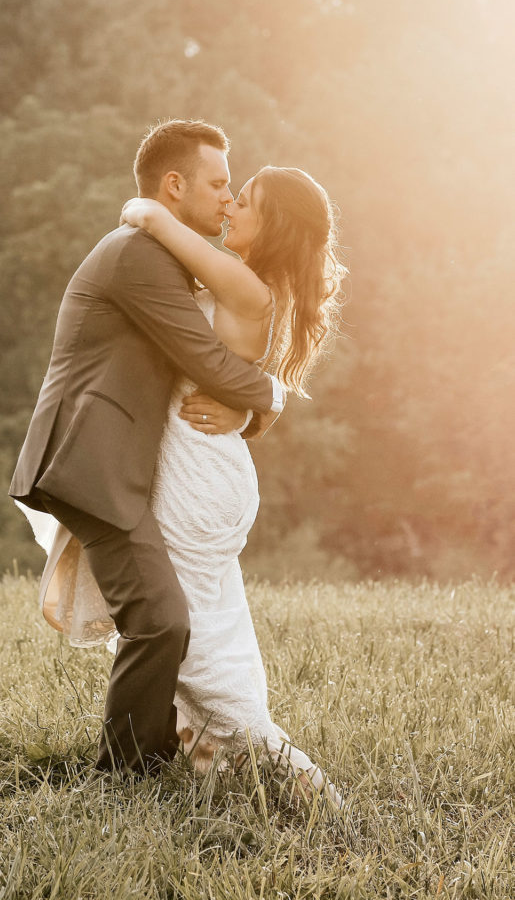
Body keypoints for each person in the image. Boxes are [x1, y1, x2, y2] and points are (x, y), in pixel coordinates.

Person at [9, 119, 285, 775]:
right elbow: (210, 364)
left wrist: (240, 419)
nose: (226, 197)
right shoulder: (137, 255)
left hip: (118, 466)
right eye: (218, 184)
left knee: (164, 616)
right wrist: (271, 398)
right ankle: (127, 771)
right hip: (91, 464)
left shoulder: (160, 256)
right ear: (173, 185)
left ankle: (157, 750)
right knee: (161, 620)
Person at [119, 165, 345, 805]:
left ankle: (287, 771)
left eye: (242, 201)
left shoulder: (243, 282)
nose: (229, 208)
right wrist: (253, 407)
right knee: (213, 626)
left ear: (270, 226)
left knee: (187, 632)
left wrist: (158, 204)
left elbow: (154, 219)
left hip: (198, 478)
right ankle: (210, 760)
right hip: (211, 469)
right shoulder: (253, 283)